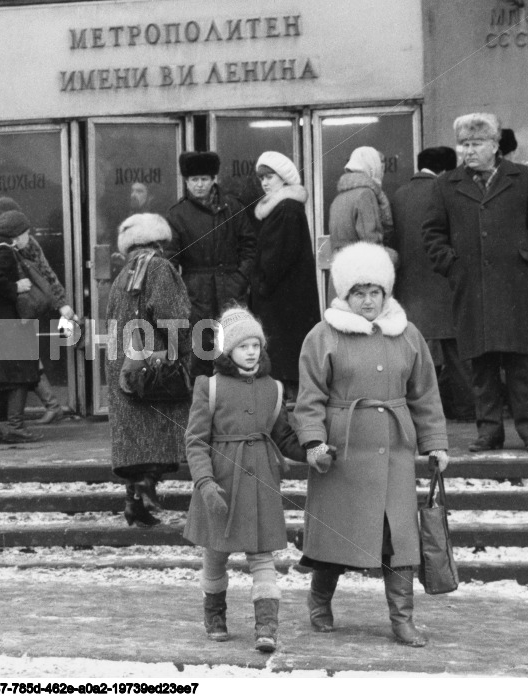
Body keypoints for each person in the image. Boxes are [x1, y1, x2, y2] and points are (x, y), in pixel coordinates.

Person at [295, 242, 450, 648]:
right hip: (343, 456)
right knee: (337, 536)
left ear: (387, 293)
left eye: (375, 291)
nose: (367, 300)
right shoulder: (322, 334)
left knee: (398, 539)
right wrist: (313, 442)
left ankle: (403, 619)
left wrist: (435, 442)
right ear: (345, 295)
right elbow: (309, 398)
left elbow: (425, 394)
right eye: (359, 292)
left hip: (395, 453)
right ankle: (319, 600)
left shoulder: (407, 333)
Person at [423, 113, 528, 452]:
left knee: (522, 362)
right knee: (481, 366)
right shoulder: (446, 184)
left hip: (517, 285)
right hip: (471, 286)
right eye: (463, 144)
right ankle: (489, 431)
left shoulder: (523, 178)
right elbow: (432, 234)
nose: (468, 151)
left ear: (495, 146)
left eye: (476, 144)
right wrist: (452, 265)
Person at [183, 306, 308, 653]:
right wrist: (205, 484)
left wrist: (312, 452)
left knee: (262, 557)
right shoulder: (209, 387)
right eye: (243, 345)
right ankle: (215, 616)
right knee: (215, 555)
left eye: (256, 344)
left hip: (261, 482)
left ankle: (266, 627)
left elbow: (283, 437)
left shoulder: (274, 388)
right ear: (227, 350)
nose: (252, 350)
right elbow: (195, 442)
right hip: (220, 481)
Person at [107, 213, 192, 527]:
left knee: (136, 436)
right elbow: (172, 314)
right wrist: (181, 351)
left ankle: (135, 501)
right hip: (152, 361)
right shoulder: (158, 267)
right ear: (159, 241)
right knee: (159, 424)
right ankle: (146, 486)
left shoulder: (123, 273)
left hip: (124, 364)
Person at [392, 147, 474, 422]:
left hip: (410, 289)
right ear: (446, 170)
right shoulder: (447, 191)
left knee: (416, 356)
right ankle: (464, 409)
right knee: (458, 352)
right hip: (446, 282)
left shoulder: (399, 195)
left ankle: (420, 413)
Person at [0, 196, 76, 425]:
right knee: (21, 360)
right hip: (14, 309)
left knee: (23, 360)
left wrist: (61, 303)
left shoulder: (25, 243)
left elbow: (45, 274)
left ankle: (41, 408)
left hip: (22, 308)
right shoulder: (3, 242)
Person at [165, 151, 256, 379]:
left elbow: (250, 247)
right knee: (202, 351)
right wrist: (178, 292)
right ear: (186, 182)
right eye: (194, 180)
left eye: (204, 179)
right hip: (196, 292)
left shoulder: (233, 207)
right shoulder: (178, 214)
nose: (199, 185)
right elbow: (169, 259)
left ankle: (237, 402)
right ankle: (202, 403)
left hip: (231, 288)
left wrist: (240, 278)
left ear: (214, 179)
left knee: (235, 343)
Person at [248, 151, 320, 400]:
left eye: (270, 177)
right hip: (288, 301)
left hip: (282, 302)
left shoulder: (285, 208)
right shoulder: (286, 207)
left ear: (284, 178)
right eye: (262, 178)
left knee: (284, 367)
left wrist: (261, 286)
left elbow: (276, 258)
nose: (265, 183)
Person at [0, 210, 42, 444]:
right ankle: (15, 426)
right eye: (25, 233)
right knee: (19, 374)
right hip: (6, 320)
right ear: (15, 235)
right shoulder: (4, 252)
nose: (28, 237)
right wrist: (16, 287)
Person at [327, 146, 396, 259]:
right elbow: (371, 244)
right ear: (372, 166)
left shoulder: (338, 198)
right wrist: (393, 257)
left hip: (343, 269)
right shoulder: (365, 194)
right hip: (362, 269)